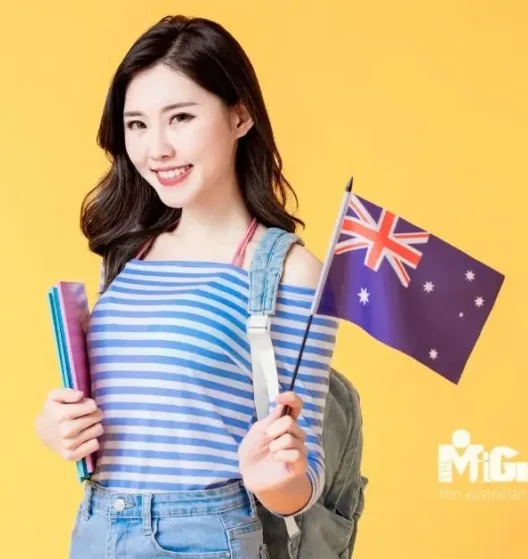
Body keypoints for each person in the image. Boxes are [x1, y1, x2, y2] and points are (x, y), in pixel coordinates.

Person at [35, 14, 341, 558]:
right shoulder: (127, 254)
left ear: (240, 115)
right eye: (137, 125)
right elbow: (134, 410)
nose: (157, 149)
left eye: (180, 117)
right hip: (97, 528)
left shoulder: (288, 270)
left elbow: (303, 478)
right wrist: (60, 426)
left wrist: (274, 477)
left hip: (205, 536)